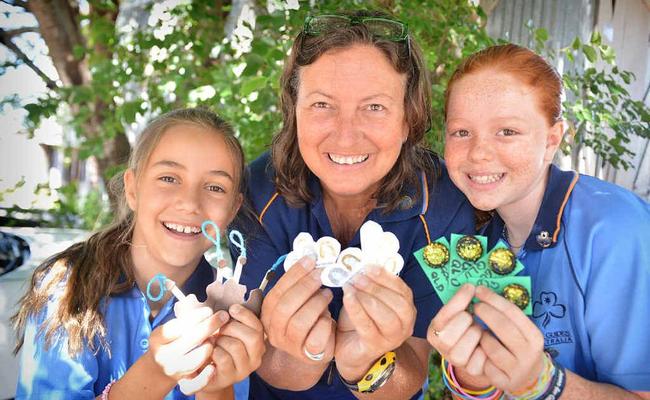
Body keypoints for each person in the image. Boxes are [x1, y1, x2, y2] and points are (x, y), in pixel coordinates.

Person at [237, 10, 475, 399]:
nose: (346, 136)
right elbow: (263, 361)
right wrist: (308, 352)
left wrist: (363, 360)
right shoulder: (257, 191)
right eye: (321, 105)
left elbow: (412, 368)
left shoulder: (447, 205)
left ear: (407, 120)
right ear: (293, 112)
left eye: (375, 107)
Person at [427, 43, 650, 399]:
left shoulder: (616, 231)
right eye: (461, 132)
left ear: (551, 140)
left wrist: (545, 384)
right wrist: (471, 376)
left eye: (507, 131)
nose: (479, 152)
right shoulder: (472, 237)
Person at [12, 108, 266, 399]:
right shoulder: (67, 289)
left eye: (215, 187)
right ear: (132, 189)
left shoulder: (231, 314)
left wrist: (216, 385)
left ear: (233, 210)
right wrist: (155, 373)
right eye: (169, 178)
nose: (189, 203)